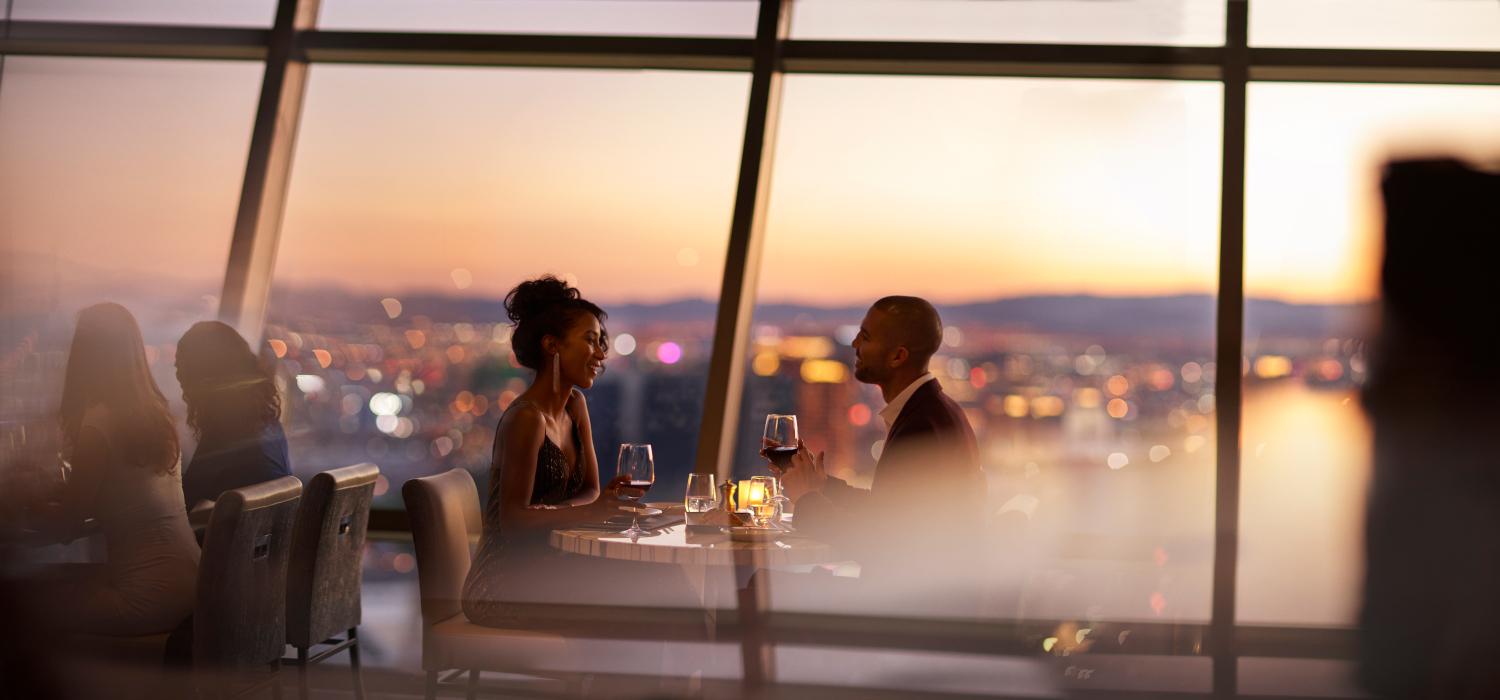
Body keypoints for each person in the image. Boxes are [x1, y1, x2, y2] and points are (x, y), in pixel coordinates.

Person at [463, 276, 678, 628]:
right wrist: (590, 512)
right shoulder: (525, 419)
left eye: (601, 342)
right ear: (552, 345)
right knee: (650, 594)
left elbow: (590, 491)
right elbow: (514, 523)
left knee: (665, 583)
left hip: (550, 567)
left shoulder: (575, 405)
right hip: (503, 585)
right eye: (590, 341)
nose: (601, 354)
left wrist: (597, 506)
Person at [778, 296, 985, 589]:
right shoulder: (934, 410)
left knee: (758, 589)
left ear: (897, 356)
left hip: (905, 605)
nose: (854, 345)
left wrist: (807, 501)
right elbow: (889, 511)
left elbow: (878, 542)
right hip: (922, 594)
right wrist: (823, 486)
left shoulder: (921, 427)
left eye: (865, 336)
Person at [27, 303, 199, 636]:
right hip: (194, 585)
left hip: (148, 599)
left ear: (85, 356)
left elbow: (67, 522)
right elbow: (120, 491)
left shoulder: (98, 424)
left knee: (20, 603)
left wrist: (24, 500)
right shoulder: (157, 414)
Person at [175, 320, 291, 511]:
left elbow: (183, 503)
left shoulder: (228, 431)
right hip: (261, 537)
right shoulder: (268, 426)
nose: (178, 375)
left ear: (206, 372)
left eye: (183, 366)